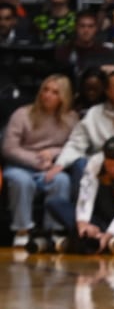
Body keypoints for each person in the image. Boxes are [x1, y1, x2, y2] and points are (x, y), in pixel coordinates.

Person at [3, 73, 78, 248]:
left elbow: (74, 145)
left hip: (49, 166)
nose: (47, 95)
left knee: (62, 180)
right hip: (19, 165)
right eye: (45, 90)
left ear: (63, 97)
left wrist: (52, 152)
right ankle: (22, 230)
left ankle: (53, 231)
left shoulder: (71, 118)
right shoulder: (22, 114)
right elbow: (9, 148)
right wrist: (36, 161)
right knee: (21, 181)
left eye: (54, 92)